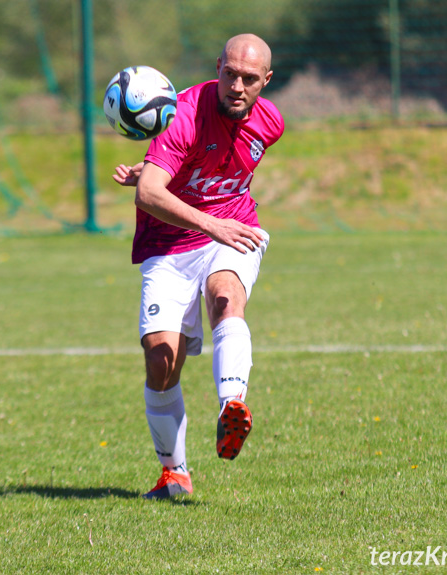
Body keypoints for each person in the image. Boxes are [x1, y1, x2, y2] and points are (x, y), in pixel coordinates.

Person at [113, 34, 284, 499]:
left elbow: (216, 165)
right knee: (161, 358)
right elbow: (150, 195)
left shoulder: (271, 123)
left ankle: (233, 407)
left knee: (225, 295)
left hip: (232, 231)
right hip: (170, 244)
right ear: (218, 68)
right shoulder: (183, 115)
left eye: (249, 79)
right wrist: (154, 171)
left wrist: (214, 220)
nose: (236, 85)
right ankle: (174, 472)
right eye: (229, 73)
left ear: (265, 82)